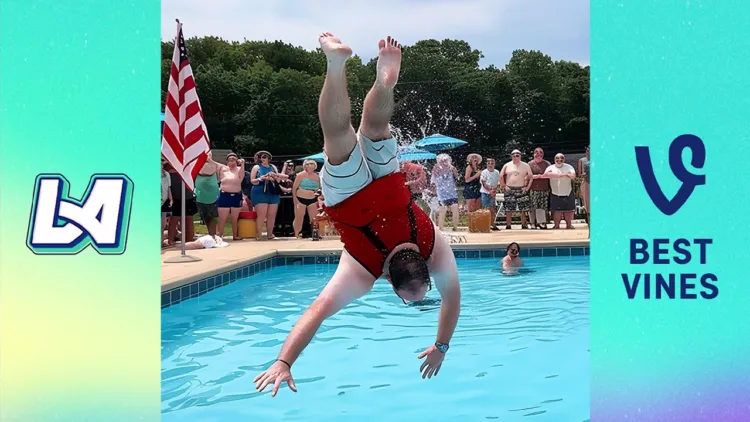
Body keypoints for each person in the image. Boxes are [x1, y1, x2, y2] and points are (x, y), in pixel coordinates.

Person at [253, 33, 461, 397]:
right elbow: (316, 312)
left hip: (392, 188)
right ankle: (335, 64)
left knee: (376, 129)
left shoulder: (436, 250)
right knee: (337, 134)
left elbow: (453, 300)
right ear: (387, 281)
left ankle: (384, 81)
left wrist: (442, 346)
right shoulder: (361, 273)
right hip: (351, 201)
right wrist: (283, 362)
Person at [250, 151, 287, 240]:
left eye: (265, 157)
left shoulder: (273, 167)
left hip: (273, 191)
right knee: (261, 215)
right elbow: (252, 181)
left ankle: (270, 234)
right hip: (260, 192)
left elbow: (278, 180)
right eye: (262, 157)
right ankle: (258, 234)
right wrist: (261, 178)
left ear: (269, 158)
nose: (264, 159)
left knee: (272, 214)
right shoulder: (257, 167)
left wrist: (274, 177)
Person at [536, 153, 576, 229]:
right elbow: (545, 176)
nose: (559, 160)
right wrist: (563, 175)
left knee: (569, 211)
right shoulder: (551, 167)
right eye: (557, 158)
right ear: (554, 159)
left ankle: (569, 225)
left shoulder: (569, 167)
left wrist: (554, 175)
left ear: (564, 159)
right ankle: (556, 225)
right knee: (556, 211)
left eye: (561, 158)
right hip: (555, 192)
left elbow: (573, 176)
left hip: (567, 192)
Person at [499, 149, 533, 229]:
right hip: (509, 188)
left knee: (523, 208)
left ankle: (524, 224)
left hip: (521, 188)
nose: (515, 157)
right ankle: (508, 225)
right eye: (513, 155)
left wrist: (527, 187)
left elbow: (531, 177)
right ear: (511, 156)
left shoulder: (526, 165)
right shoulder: (507, 165)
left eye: (517, 155)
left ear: (520, 156)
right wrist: (504, 186)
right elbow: (501, 176)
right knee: (508, 208)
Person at [215, 152, 245, 240]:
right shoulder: (223, 169)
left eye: (234, 159)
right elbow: (214, 164)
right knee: (222, 218)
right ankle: (219, 235)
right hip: (225, 195)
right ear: (227, 161)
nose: (232, 161)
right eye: (230, 160)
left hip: (236, 195)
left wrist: (242, 163)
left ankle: (235, 236)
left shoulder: (239, 169)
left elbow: (241, 177)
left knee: (235, 218)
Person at [292, 159, 321, 238]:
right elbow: (294, 188)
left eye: (311, 163)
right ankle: (296, 234)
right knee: (299, 217)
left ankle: (315, 233)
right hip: (300, 197)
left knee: (314, 218)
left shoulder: (317, 176)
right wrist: (294, 199)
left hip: (312, 198)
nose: (309, 165)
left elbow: (319, 188)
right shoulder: (300, 175)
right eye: (308, 164)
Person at [194, 151, 221, 236]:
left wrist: (209, 159)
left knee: (212, 216)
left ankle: (213, 235)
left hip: (213, 195)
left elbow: (213, 170)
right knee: (205, 216)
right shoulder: (197, 165)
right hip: (201, 195)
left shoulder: (214, 165)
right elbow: (201, 172)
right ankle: (211, 235)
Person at [431, 154, 460, 231]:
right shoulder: (436, 169)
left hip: (452, 193)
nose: (444, 163)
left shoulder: (451, 168)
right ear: (439, 162)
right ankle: (441, 229)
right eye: (442, 161)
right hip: (441, 195)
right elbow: (433, 183)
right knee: (442, 211)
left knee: (455, 208)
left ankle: (455, 227)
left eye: (445, 161)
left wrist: (453, 168)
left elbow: (457, 177)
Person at [527, 147, 551, 229]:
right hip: (533, 189)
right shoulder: (529, 164)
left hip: (544, 188)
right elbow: (527, 176)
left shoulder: (547, 164)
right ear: (533, 154)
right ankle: (532, 223)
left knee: (542, 206)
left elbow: (550, 174)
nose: (538, 154)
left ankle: (541, 222)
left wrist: (543, 176)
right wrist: (535, 177)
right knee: (532, 206)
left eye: (540, 152)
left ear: (543, 154)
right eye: (536, 152)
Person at [480, 158, 500, 230]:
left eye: (492, 163)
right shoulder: (484, 172)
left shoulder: (497, 172)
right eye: (489, 163)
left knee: (492, 209)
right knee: (485, 209)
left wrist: (494, 190)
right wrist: (490, 190)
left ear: (494, 164)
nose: (490, 165)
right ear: (487, 164)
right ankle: (485, 225)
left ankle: (493, 224)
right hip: (485, 193)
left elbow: (498, 182)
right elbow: (483, 182)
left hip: (493, 193)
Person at [161, 159, 173, 245]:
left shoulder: (167, 174)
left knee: (162, 223)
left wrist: (171, 198)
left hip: (165, 200)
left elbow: (169, 187)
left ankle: (160, 242)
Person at [577, 146, 590, 229]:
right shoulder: (582, 160)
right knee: (587, 205)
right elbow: (579, 174)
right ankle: (590, 224)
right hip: (586, 183)